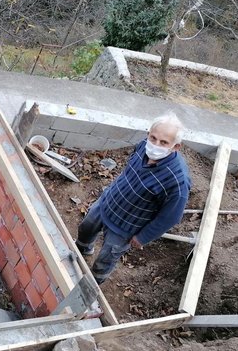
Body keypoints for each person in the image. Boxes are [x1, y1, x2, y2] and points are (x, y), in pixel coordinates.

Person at [75, 112, 191, 285]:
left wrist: (143, 237)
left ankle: (91, 284)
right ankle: (82, 250)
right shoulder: (143, 146)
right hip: (109, 202)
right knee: (86, 227)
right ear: (148, 134)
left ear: (175, 147)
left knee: (106, 258)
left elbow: (171, 217)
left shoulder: (177, 181)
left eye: (164, 142)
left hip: (126, 227)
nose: (155, 145)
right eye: (153, 138)